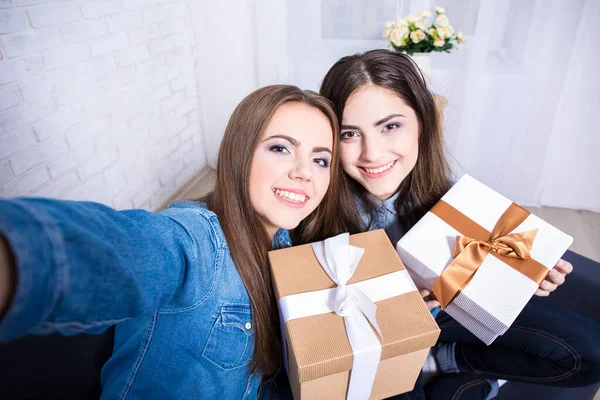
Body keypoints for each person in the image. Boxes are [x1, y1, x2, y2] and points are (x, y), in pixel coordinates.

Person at [0, 85, 347, 399]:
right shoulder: (193, 240)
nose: (304, 172)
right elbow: (116, 248)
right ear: (240, 153)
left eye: (320, 159)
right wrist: (18, 257)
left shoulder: (285, 245)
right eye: (281, 148)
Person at [319, 49, 600, 399]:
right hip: (386, 336)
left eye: (390, 126)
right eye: (349, 134)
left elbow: (487, 250)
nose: (372, 154)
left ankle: (450, 362)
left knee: (588, 355)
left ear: (421, 121)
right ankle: (443, 374)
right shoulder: (317, 204)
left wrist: (526, 272)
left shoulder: (439, 181)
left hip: (454, 311)